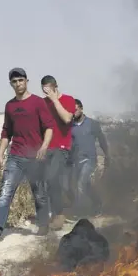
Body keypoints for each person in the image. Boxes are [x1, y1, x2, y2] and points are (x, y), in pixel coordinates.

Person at [0, 68, 54, 244]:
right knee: (5, 192)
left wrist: (44, 147)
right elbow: (6, 132)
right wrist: (0, 154)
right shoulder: (10, 106)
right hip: (15, 156)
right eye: (14, 81)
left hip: (36, 158)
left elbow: (49, 127)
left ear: (27, 81)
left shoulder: (38, 103)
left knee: (39, 193)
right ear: (11, 84)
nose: (18, 84)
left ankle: (43, 224)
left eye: (20, 80)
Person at [40, 75, 76, 230]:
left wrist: (55, 100)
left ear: (56, 86)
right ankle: (49, 214)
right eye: (44, 90)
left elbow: (67, 119)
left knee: (53, 178)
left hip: (61, 147)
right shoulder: (42, 103)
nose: (47, 93)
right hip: (45, 147)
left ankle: (59, 213)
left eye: (49, 89)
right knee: (45, 182)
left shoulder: (68, 99)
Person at [69, 99, 110, 216]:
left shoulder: (92, 124)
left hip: (90, 159)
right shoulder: (70, 126)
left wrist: (107, 155)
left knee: (80, 184)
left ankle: (79, 212)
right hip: (76, 160)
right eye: (71, 110)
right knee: (85, 186)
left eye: (75, 110)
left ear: (81, 109)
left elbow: (102, 140)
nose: (73, 112)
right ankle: (97, 203)